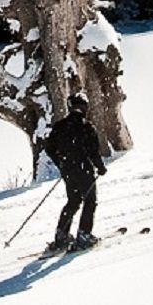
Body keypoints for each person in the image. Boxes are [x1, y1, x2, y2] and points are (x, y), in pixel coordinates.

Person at [43, 101, 109, 253]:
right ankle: (84, 236)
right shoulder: (86, 126)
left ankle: (61, 236)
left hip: (68, 170)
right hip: (84, 169)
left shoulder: (60, 126)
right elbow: (93, 151)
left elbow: (49, 148)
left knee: (73, 201)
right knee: (90, 201)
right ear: (85, 108)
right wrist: (100, 167)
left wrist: (61, 163)